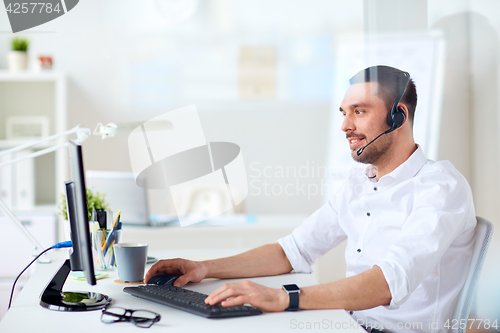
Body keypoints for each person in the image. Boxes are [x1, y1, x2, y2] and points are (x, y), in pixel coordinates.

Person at [145, 65, 476, 333]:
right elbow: (294, 250)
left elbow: (389, 281)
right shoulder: (358, 184)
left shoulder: (440, 187)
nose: (346, 126)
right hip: (347, 324)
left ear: (398, 117)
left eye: (359, 112)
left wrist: (282, 298)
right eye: (344, 113)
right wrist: (205, 268)